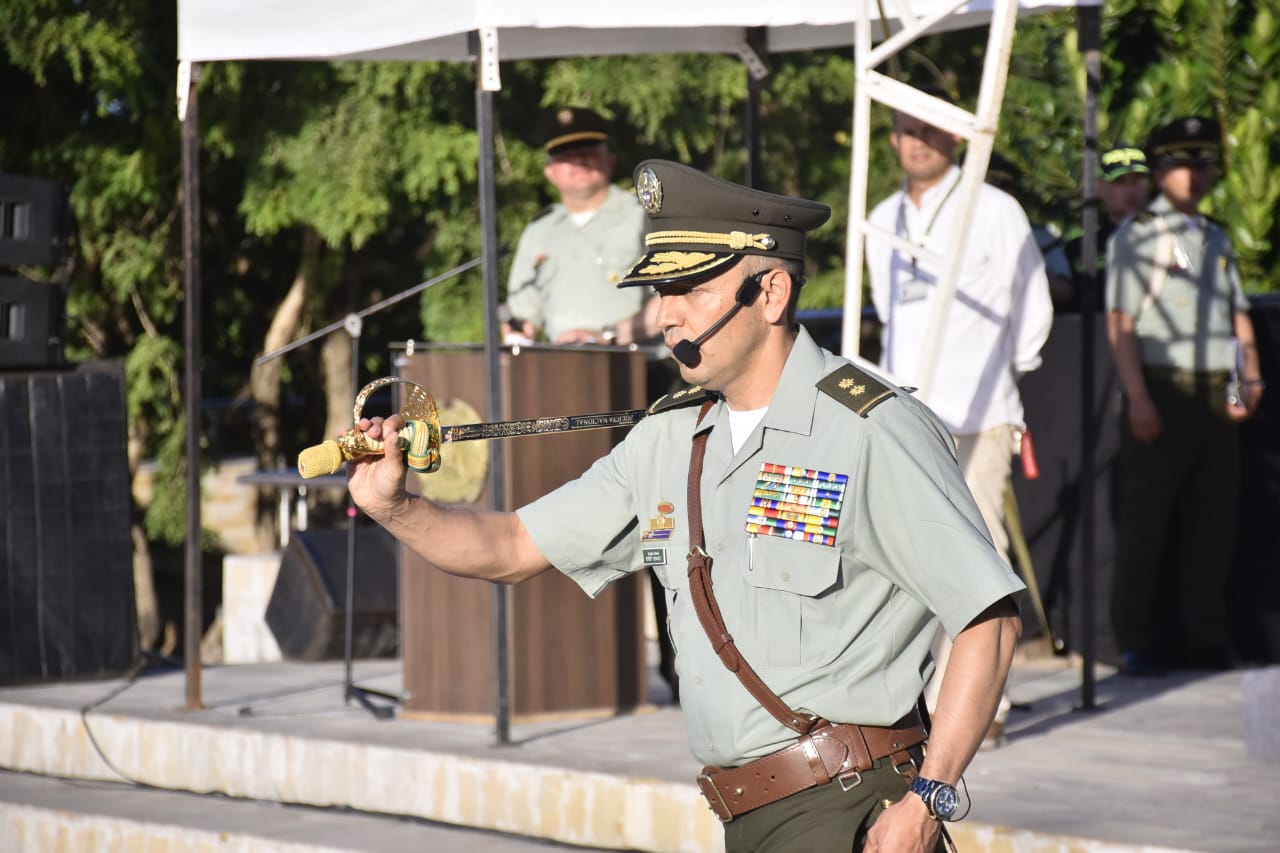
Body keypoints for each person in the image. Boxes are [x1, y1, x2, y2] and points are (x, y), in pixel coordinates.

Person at [348, 160, 1023, 851]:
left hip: (856, 812)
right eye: (660, 291)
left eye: (689, 289)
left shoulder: (870, 426)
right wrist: (396, 506)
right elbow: (514, 546)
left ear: (771, 291)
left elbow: (988, 617)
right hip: (746, 817)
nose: (666, 314)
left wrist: (929, 799)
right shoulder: (669, 439)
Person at [866, 108, 1053, 749]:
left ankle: (981, 707)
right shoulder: (881, 218)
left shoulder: (994, 207)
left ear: (953, 135)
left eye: (929, 129)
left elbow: (1033, 300)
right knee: (906, 554)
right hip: (907, 410)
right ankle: (920, 698)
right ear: (892, 139)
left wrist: (1009, 370)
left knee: (979, 557)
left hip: (980, 407)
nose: (917, 141)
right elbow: (889, 312)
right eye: (905, 130)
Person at [1105, 116, 1265, 675]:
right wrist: (1138, 397)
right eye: (1179, 164)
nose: (1192, 176)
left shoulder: (1215, 235)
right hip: (1162, 385)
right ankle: (1135, 640)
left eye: (1201, 164)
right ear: (1161, 171)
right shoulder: (1140, 233)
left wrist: (1251, 377)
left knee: (1213, 521)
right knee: (1146, 524)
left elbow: (1236, 313)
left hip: (1214, 392)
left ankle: (1205, 635)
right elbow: (1121, 322)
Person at [503, 107, 658, 346]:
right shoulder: (539, 230)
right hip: (560, 369)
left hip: (639, 367)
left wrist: (610, 335)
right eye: (564, 155)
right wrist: (519, 332)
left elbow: (677, 297)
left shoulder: (644, 218)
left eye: (588, 152)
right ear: (550, 172)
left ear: (610, 161)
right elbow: (523, 312)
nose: (578, 161)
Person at [1061, 144, 1152, 312]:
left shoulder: (1169, 238)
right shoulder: (1078, 249)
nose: (1131, 190)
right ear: (1100, 188)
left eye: (1138, 179)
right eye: (1120, 182)